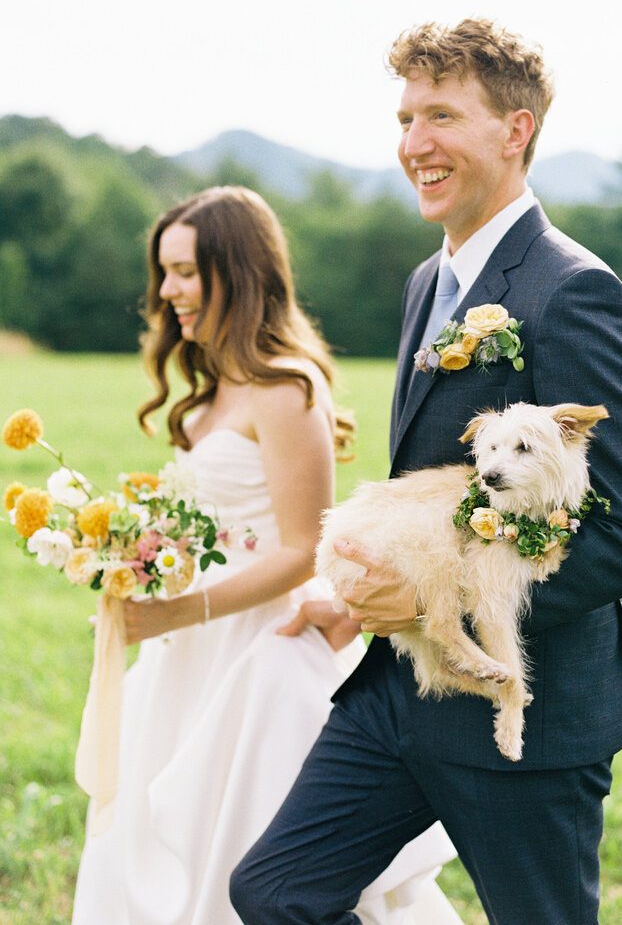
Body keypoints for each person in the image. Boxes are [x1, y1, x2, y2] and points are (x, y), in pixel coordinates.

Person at [230, 20, 622, 925]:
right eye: (404, 118)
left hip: (523, 714)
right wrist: (366, 598)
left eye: (441, 115)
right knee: (274, 893)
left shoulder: (574, 291)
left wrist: (445, 604)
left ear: (516, 131)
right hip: (396, 695)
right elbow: (438, 495)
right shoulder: (427, 284)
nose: (413, 144)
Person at [70, 186, 462, 925]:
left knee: (248, 852)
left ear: (237, 269)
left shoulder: (287, 387)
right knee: (153, 837)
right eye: (164, 272)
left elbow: (301, 548)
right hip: (185, 651)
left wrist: (184, 606)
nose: (168, 290)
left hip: (257, 654)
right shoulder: (212, 385)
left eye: (185, 270)